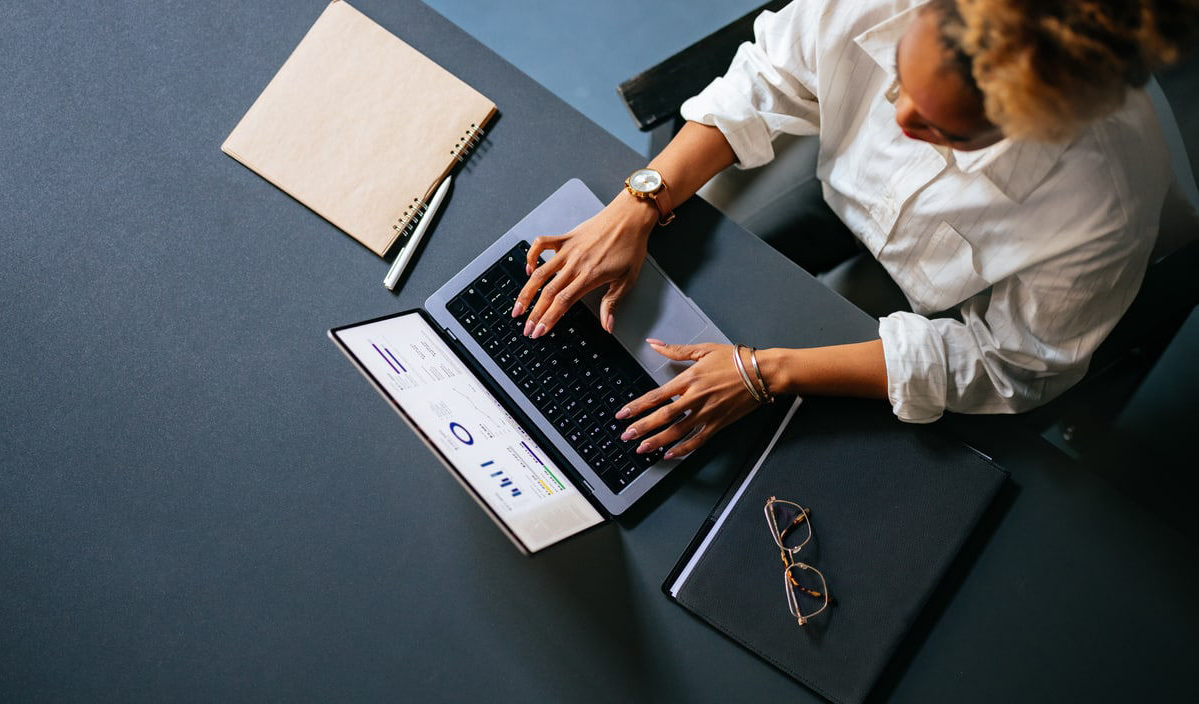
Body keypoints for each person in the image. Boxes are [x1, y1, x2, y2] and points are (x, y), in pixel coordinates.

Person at [510, 0, 1198, 460]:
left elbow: (1008, 362)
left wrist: (767, 371)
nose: (898, 124)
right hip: (837, 183)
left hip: (958, 296)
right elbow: (768, 78)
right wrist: (640, 202)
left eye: (940, 129)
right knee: (692, 287)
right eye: (898, 76)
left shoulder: (1099, 207)